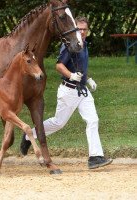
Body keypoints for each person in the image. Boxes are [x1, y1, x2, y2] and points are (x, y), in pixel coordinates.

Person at [20, 16, 113, 169]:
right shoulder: (70, 45)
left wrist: (87, 79)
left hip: (82, 91)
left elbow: (80, 67)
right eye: (79, 29)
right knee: (58, 123)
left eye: (84, 29)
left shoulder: (84, 45)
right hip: (69, 90)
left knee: (93, 120)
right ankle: (30, 135)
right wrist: (71, 75)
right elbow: (59, 65)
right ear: (75, 29)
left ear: (87, 31)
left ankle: (95, 157)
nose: (82, 32)